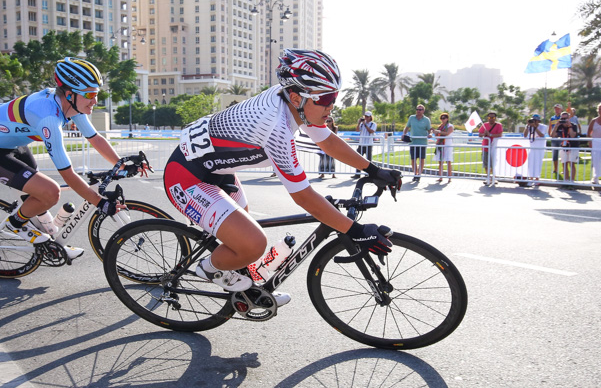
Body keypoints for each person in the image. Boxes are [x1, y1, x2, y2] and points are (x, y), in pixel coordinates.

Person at [162, 49, 400, 302]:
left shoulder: (295, 103)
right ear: (297, 97)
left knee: (243, 236)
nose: (331, 106)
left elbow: (327, 141)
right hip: (187, 177)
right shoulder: (275, 127)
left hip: (217, 170)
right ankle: (208, 268)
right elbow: (304, 197)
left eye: (334, 97)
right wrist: (355, 229)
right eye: (325, 99)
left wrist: (373, 170)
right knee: (252, 244)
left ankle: (246, 293)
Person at [0, 57, 139, 257]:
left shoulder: (71, 105)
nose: (95, 101)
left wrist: (121, 165)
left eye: (97, 94)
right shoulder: (49, 118)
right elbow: (68, 174)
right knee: (50, 192)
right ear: (69, 93)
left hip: (11, 144)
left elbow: (95, 138)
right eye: (90, 94)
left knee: (39, 196)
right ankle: (14, 225)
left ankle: (51, 243)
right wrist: (99, 202)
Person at [403, 104, 432, 183]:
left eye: (420, 109)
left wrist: (430, 134)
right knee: (413, 159)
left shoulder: (426, 120)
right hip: (413, 141)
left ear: (423, 111)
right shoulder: (411, 118)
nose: (418, 111)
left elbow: (429, 129)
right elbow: (407, 127)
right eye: (417, 109)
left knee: (421, 159)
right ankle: (415, 174)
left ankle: (419, 174)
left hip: (422, 142)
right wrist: (404, 134)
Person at [552, 111, 579, 187]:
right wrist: (556, 126)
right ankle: (566, 181)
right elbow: (553, 135)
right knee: (564, 164)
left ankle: (572, 182)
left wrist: (569, 126)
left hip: (573, 147)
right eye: (562, 118)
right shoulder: (560, 126)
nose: (563, 120)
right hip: (563, 147)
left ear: (569, 118)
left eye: (565, 118)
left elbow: (573, 135)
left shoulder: (574, 125)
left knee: (571, 164)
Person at [477, 111, 503, 184]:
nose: (491, 119)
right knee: (486, 163)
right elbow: (480, 134)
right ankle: (488, 177)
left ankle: (494, 177)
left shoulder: (498, 125)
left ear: (495, 118)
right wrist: (484, 134)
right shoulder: (484, 125)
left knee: (494, 163)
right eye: (489, 117)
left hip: (494, 147)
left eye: (493, 117)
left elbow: (500, 134)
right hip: (485, 146)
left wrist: (490, 135)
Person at [523, 114, 548, 184]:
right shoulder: (529, 126)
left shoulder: (543, 126)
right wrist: (527, 126)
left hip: (540, 147)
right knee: (531, 162)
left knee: (538, 162)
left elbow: (541, 135)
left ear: (538, 121)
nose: (534, 122)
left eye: (535, 120)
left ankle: (537, 178)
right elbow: (525, 135)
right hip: (532, 146)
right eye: (533, 120)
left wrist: (535, 127)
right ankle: (531, 178)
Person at [351, 111, 377, 179]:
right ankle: (357, 174)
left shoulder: (373, 124)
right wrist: (359, 123)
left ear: (370, 117)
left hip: (368, 144)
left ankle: (369, 174)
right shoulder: (362, 124)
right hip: (361, 144)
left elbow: (371, 131)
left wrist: (365, 124)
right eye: (365, 116)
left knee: (368, 160)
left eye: (367, 116)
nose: (366, 118)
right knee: (357, 159)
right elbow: (357, 130)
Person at [433, 112, 454, 183]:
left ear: (447, 118)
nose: (442, 119)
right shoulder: (440, 126)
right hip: (440, 144)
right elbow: (437, 135)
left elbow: (447, 133)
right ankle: (440, 177)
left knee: (448, 161)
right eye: (441, 118)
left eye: (444, 118)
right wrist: (435, 132)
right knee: (440, 161)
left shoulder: (450, 126)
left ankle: (449, 177)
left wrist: (439, 132)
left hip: (447, 145)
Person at [547, 104, 564, 178]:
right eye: (555, 109)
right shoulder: (552, 118)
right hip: (554, 137)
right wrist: (550, 134)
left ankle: (564, 169)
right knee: (555, 154)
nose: (556, 110)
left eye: (558, 109)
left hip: (561, 137)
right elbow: (550, 127)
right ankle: (555, 169)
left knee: (563, 154)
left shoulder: (563, 117)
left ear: (561, 110)